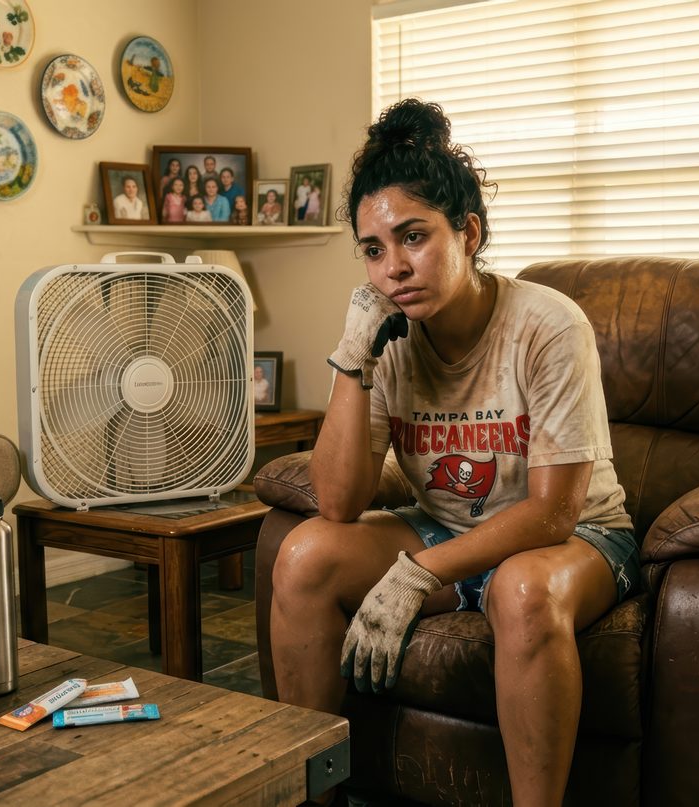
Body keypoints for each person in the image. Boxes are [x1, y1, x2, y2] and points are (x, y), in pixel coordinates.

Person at [268, 99, 637, 807]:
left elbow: (554, 511)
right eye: (373, 250)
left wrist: (417, 573)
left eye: (414, 237)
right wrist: (351, 358)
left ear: (468, 232)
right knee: (304, 554)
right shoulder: (386, 337)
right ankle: (315, 797)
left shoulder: (547, 325)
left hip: (579, 535)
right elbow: (339, 502)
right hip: (442, 526)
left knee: (522, 589)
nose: (393, 269)